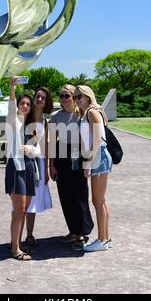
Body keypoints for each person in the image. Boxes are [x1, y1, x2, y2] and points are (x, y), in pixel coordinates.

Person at [49, 84, 94, 250]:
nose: (64, 99)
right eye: (61, 96)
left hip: (78, 155)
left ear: (74, 97)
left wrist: (88, 162)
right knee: (65, 196)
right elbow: (52, 142)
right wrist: (51, 165)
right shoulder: (55, 116)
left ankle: (82, 232)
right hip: (61, 156)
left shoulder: (82, 113)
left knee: (80, 195)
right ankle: (73, 231)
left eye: (67, 95)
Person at [5, 77, 40, 261]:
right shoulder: (13, 122)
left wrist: (31, 149)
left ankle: (16, 243)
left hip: (28, 168)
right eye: (22, 103)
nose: (25, 105)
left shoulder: (31, 127)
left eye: (28, 103)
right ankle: (15, 249)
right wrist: (12, 87)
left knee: (23, 209)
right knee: (19, 209)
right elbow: (11, 108)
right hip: (16, 167)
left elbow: (38, 150)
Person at [75, 85, 113, 252]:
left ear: (88, 97)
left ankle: (102, 239)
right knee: (101, 200)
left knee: (98, 200)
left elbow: (97, 138)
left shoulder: (91, 112)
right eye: (75, 97)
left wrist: (89, 162)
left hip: (98, 156)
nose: (76, 100)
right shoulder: (90, 111)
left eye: (79, 96)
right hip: (99, 156)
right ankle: (105, 238)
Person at [23, 87, 54, 248]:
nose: (39, 99)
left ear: (46, 102)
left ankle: (29, 235)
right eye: (38, 96)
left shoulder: (45, 121)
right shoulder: (25, 116)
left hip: (40, 163)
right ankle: (17, 238)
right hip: (25, 162)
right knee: (23, 198)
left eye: (43, 97)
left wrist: (48, 168)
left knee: (33, 199)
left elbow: (46, 146)